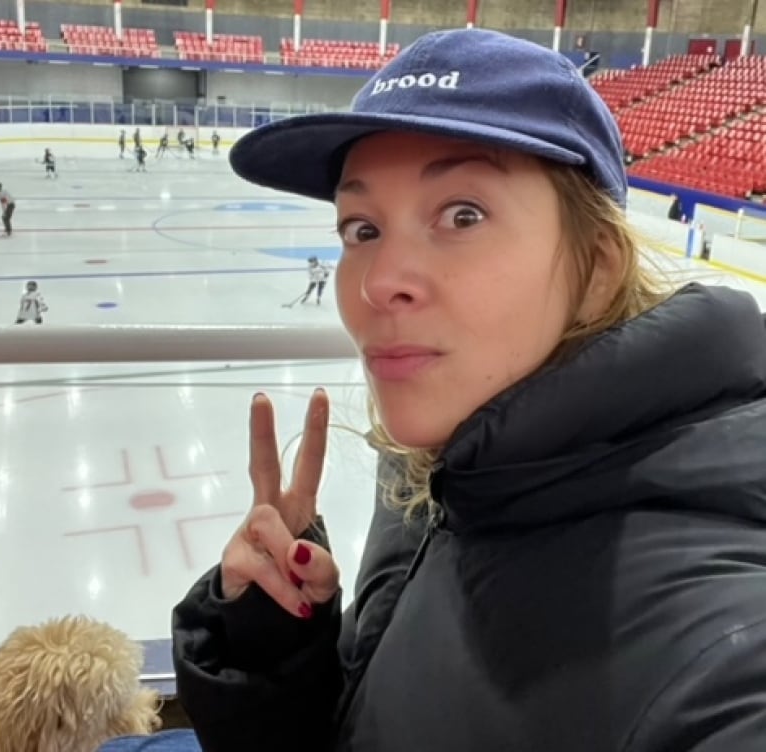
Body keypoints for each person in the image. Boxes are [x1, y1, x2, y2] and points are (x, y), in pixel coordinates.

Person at [171, 29, 766, 752]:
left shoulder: (723, 654)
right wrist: (272, 644)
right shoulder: (437, 472)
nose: (378, 279)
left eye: (463, 215)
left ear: (599, 268)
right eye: (362, 227)